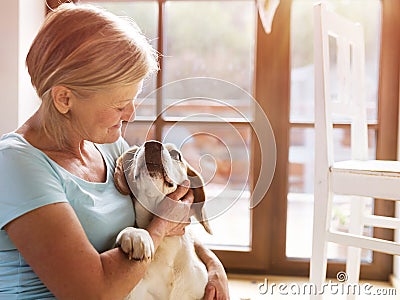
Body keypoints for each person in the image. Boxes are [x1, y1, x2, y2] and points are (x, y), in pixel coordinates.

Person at [0, 3, 230, 299]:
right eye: (120, 105)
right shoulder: (16, 164)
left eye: (133, 100)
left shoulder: (109, 147)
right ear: (64, 99)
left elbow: (169, 222)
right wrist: (159, 227)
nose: (130, 114)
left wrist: (213, 265)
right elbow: (93, 292)